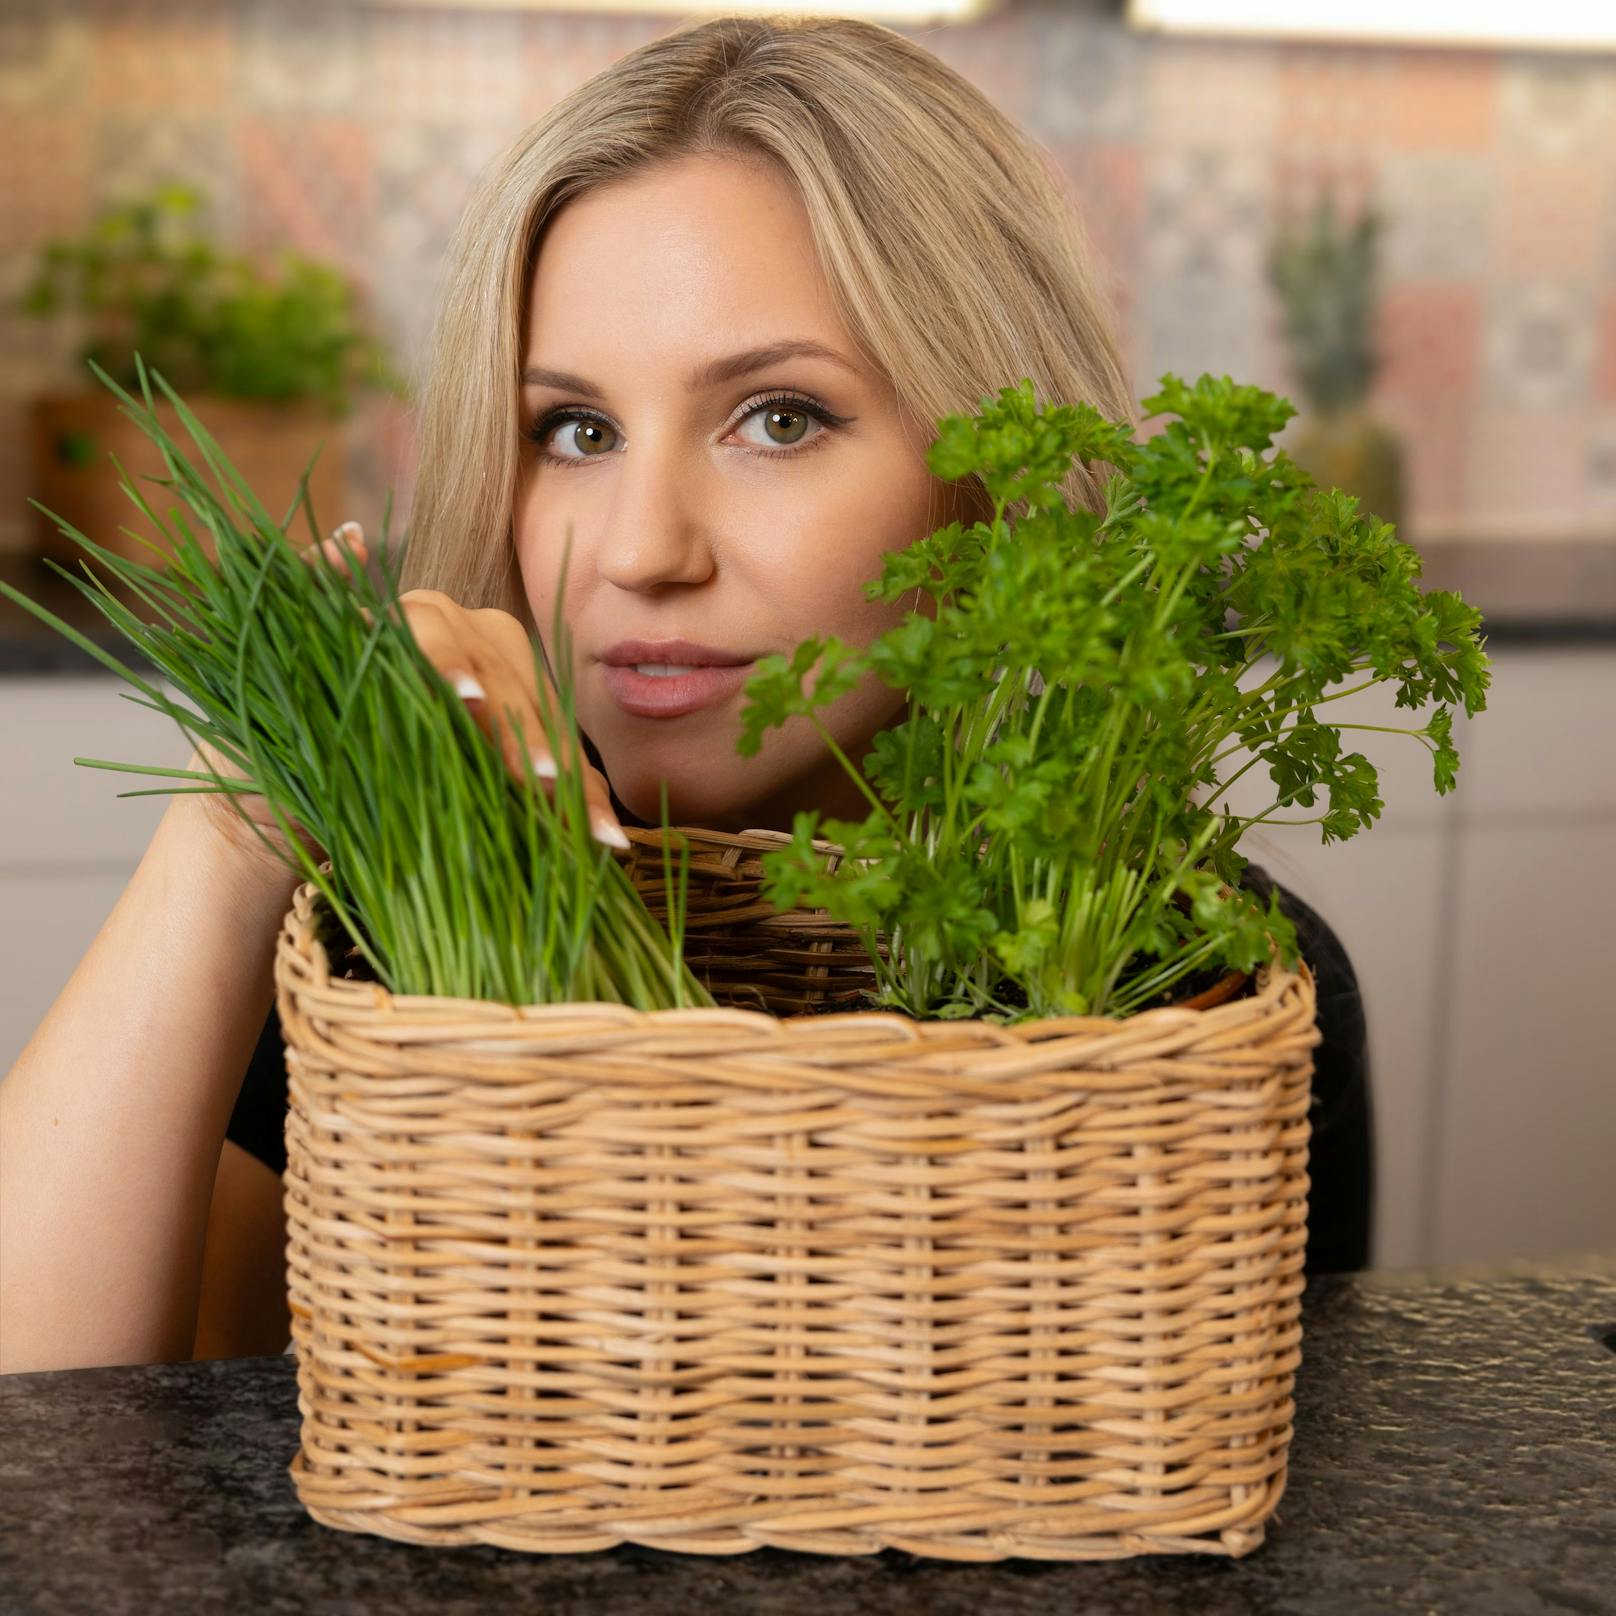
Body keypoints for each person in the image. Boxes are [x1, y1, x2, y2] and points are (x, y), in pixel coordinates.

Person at [0, 14, 1372, 1375]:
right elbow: (57, 1467)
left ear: (996, 467)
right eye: (576, 432)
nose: (647, 550)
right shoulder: (370, 954)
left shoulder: (1216, 986)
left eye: (779, 418)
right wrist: (229, 835)